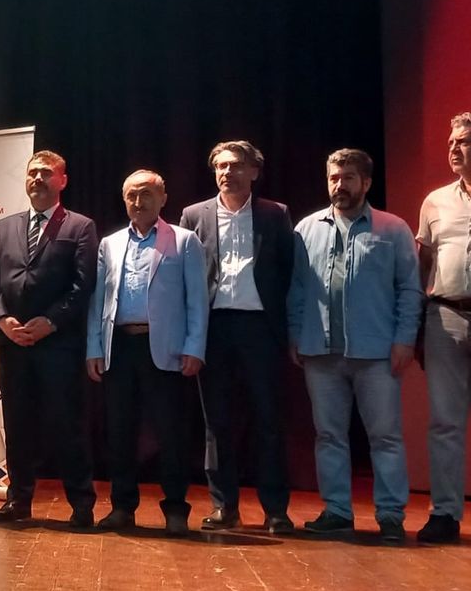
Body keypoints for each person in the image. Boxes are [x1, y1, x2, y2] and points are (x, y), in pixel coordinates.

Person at [288, 148, 421, 545]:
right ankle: (337, 512)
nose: (339, 185)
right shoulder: (306, 229)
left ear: (366, 182)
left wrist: (404, 340)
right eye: (334, 177)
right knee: (329, 435)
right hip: (321, 350)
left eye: (347, 178)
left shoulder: (393, 228)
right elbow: (297, 289)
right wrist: (295, 334)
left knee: (385, 437)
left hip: (376, 352)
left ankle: (391, 515)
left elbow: (409, 289)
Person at [179, 141, 295, 534]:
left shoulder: (275, 214)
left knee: (268, 421)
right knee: (217, 422)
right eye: (221, 166)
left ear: (254, 172)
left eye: (237, 165)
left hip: (261, 329)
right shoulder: (193, 215)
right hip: (213, 329)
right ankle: (224, 506)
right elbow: (184, 278)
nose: (228, 172)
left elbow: (289, 273)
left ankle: (275, 510)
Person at [87, 170, 208, 537]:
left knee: (171, 433)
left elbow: (197, 299)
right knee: (120, 432)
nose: (138, 202)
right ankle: (122, 507)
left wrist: (194, 347)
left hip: (165, 347)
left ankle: (176, 509)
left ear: (163, 198)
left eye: (146, 194)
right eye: (132, 195)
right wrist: (94, 347)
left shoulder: (184, 241)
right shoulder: (109, 244)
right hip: (120, 347)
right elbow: (98, 301)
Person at [0, 150, 98, 526]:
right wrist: (2, 320)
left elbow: (83, 285)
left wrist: (50, 322)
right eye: (32, 172)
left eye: (46, 173)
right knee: (17, 425)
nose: (37, 178)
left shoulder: (79, 226)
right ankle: (18, 500)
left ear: (62, 180)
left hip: (58, 345)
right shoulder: (6, 226)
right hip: (13, 344)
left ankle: (81, 503)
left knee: (67, 424)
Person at [417, 112, 471, 545]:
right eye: (451, 141)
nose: (454, 148)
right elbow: (423, 263)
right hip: (446, 316)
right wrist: (418, 321)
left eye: (463, 141)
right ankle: (445, 513)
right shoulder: (435, 201)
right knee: (445, 422)